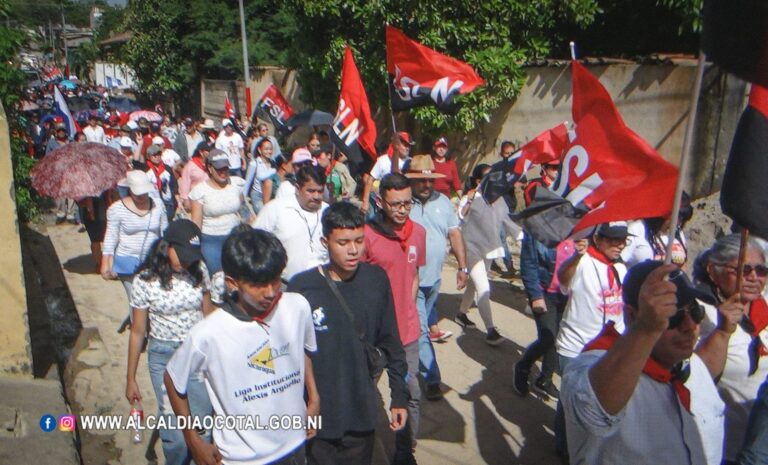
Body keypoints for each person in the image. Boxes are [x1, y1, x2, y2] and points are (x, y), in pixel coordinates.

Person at [164, 228, 319, 465]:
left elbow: (304, 351)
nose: (270, 292)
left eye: (275, 280)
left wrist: (314, 397)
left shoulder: (298, 307)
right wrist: (193, 439)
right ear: (232, 283)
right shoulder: (208, 334)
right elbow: (173, 379)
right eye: (258, 285)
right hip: (241, 458)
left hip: (295, 446)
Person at [561, 260, 736, 465]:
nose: (690, 326)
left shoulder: (689, 364)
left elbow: (706, 375)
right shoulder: (598, 365)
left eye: (695, 311)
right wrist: (645, 328)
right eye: (673, 315)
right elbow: (591, 411)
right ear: (632, 316)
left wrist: (723, 332)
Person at [287, 202, 409, 465]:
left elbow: (391, 340)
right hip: (318, 416)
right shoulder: (302, 287)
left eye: (359, 241)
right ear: (325, 242)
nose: (353, 250)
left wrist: (399, 396)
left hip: (360, 413)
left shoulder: (376, 280)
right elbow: (290, 354)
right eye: (343, 243)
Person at [125, 220, 213, 465]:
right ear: (167, 247)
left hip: (197, 357)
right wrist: (130, 378)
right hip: (163, 357)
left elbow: (209, 315)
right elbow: (137, 332)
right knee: (175, 435)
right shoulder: (144, 281)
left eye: (191, 257)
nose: (186, 262)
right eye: (181, 256)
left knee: (202, 427)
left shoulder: (200, 270)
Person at [363, 173, 425, 464]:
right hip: (374, 337)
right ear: (380, 202)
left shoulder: (419, 233)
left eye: (407, 203)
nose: (402, 210)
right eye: (395, 204)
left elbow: (414, 276)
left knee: (410, 392)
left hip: (407, 334)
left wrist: (406, 308)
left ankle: (405, 450)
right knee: (364, 392)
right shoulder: (366, 236)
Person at [554, 221, 630, 457]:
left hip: (608, 349)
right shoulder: (583, 262)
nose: (620, 245)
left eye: (623, 240)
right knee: (570, 403)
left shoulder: (620, 268)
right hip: (576, 347)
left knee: (595, 403)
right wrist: (577, 257)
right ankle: (564, 448)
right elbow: (563, 280)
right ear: (598, 239)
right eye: (614, 240)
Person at [693, 234, 768, 464]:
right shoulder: (698, 313)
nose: (753, 277)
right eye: (743, 270)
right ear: (713, 270)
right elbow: (697, 377)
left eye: (761, 270)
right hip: (725, 452)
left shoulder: (764, 310)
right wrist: (723, 332)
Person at [405, 155, 469, 400]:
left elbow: (454, 235)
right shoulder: (403, 203)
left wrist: (463, 267)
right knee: (421, 330)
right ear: (412, 181)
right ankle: (432, 379)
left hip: (434, 280)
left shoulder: (443, 202)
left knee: (417, 328)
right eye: (421, 180)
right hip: (412, 280)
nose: (427, 184)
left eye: (430, 180)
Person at [101, 171, 168, 327]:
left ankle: (151, 328)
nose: (142, 196)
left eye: (145, 192)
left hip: (153, 261)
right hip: (127, 261)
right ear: (130, 189)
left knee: (154, 298)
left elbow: (165, 232)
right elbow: (111, 237)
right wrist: (106, 262)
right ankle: (139, 331)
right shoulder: (116, 209)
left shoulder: (158, 205)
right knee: (136, 300)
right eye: (138, 193)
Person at [455, 163, 507, 346]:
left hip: (488, 250)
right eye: (488, 177)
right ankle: (491, 330)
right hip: (471, 249)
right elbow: (460, 216)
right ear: (478, 181)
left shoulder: (499, 200)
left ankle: (461, 314)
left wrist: (522, 235)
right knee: (484, 287)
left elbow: (508, 220)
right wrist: (469, 200)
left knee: (474, 285)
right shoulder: (471, 198)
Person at [514, 232, 571, 399]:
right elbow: (528, 263)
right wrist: (535, 295)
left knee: (557, 338)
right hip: (544, 292)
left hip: (568, 295)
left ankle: (545, 379)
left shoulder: (581, 232)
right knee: (548, 337)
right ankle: (523, 366)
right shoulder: (538, 229)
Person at [253, 165, 329, 282]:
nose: (316, 196)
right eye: (311, 191)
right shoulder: (275, 209)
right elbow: (254, 243)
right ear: (297, 188)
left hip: (323, 283)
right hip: (285, 284)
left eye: (320, 191)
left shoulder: (328, 212)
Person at [189, 150, 245, 274]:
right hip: (211, 240)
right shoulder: (200, 191)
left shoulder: (236, 184)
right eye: (219, 169)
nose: (223, 173)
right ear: (210, 168)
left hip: (235, 237)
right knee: (216, 274)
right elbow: (196, 223)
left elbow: (244, 210)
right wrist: (194, 246)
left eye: (225, 168)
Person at [622, 192, 693, 269]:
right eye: (677, 216)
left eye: (682, 218)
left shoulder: (677, 232)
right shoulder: (636, 229)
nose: (679, 222)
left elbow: (683, 264)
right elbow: (618, 264)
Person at [361, 132, 413, 215]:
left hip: (403, 206)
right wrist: (365, 202)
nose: (407, 148)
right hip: (381, 205)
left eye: (409, 146)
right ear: (396, 144)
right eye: (405, 145)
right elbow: (370, 180)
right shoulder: (383, 160)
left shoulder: (411, 162)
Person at [242, 137, 276, 214]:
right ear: (259, 150)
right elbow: (247, 182)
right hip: (257, 195)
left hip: (270, 195)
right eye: (266, 149)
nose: (269, 151)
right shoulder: (254, 164)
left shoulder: (273, 164)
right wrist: (243, 201)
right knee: (263, 214)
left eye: (270, 149)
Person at [145, 145, 179, 222]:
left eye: (159, 154)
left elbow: (174, 185)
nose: (157, 157)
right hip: (154, 203)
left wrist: (178, 201)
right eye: (154, 155)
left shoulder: (167, 168)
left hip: (168, 202)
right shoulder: (146, 169)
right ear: (149, 157)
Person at [178, 142, 211, 212]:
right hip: (196, 200)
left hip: (209, 198)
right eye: (207, 151)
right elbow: (185, 184)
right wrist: (186, 201)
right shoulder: (190, 166)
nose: (210, 152)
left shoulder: (211, 165)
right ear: (201, 152)